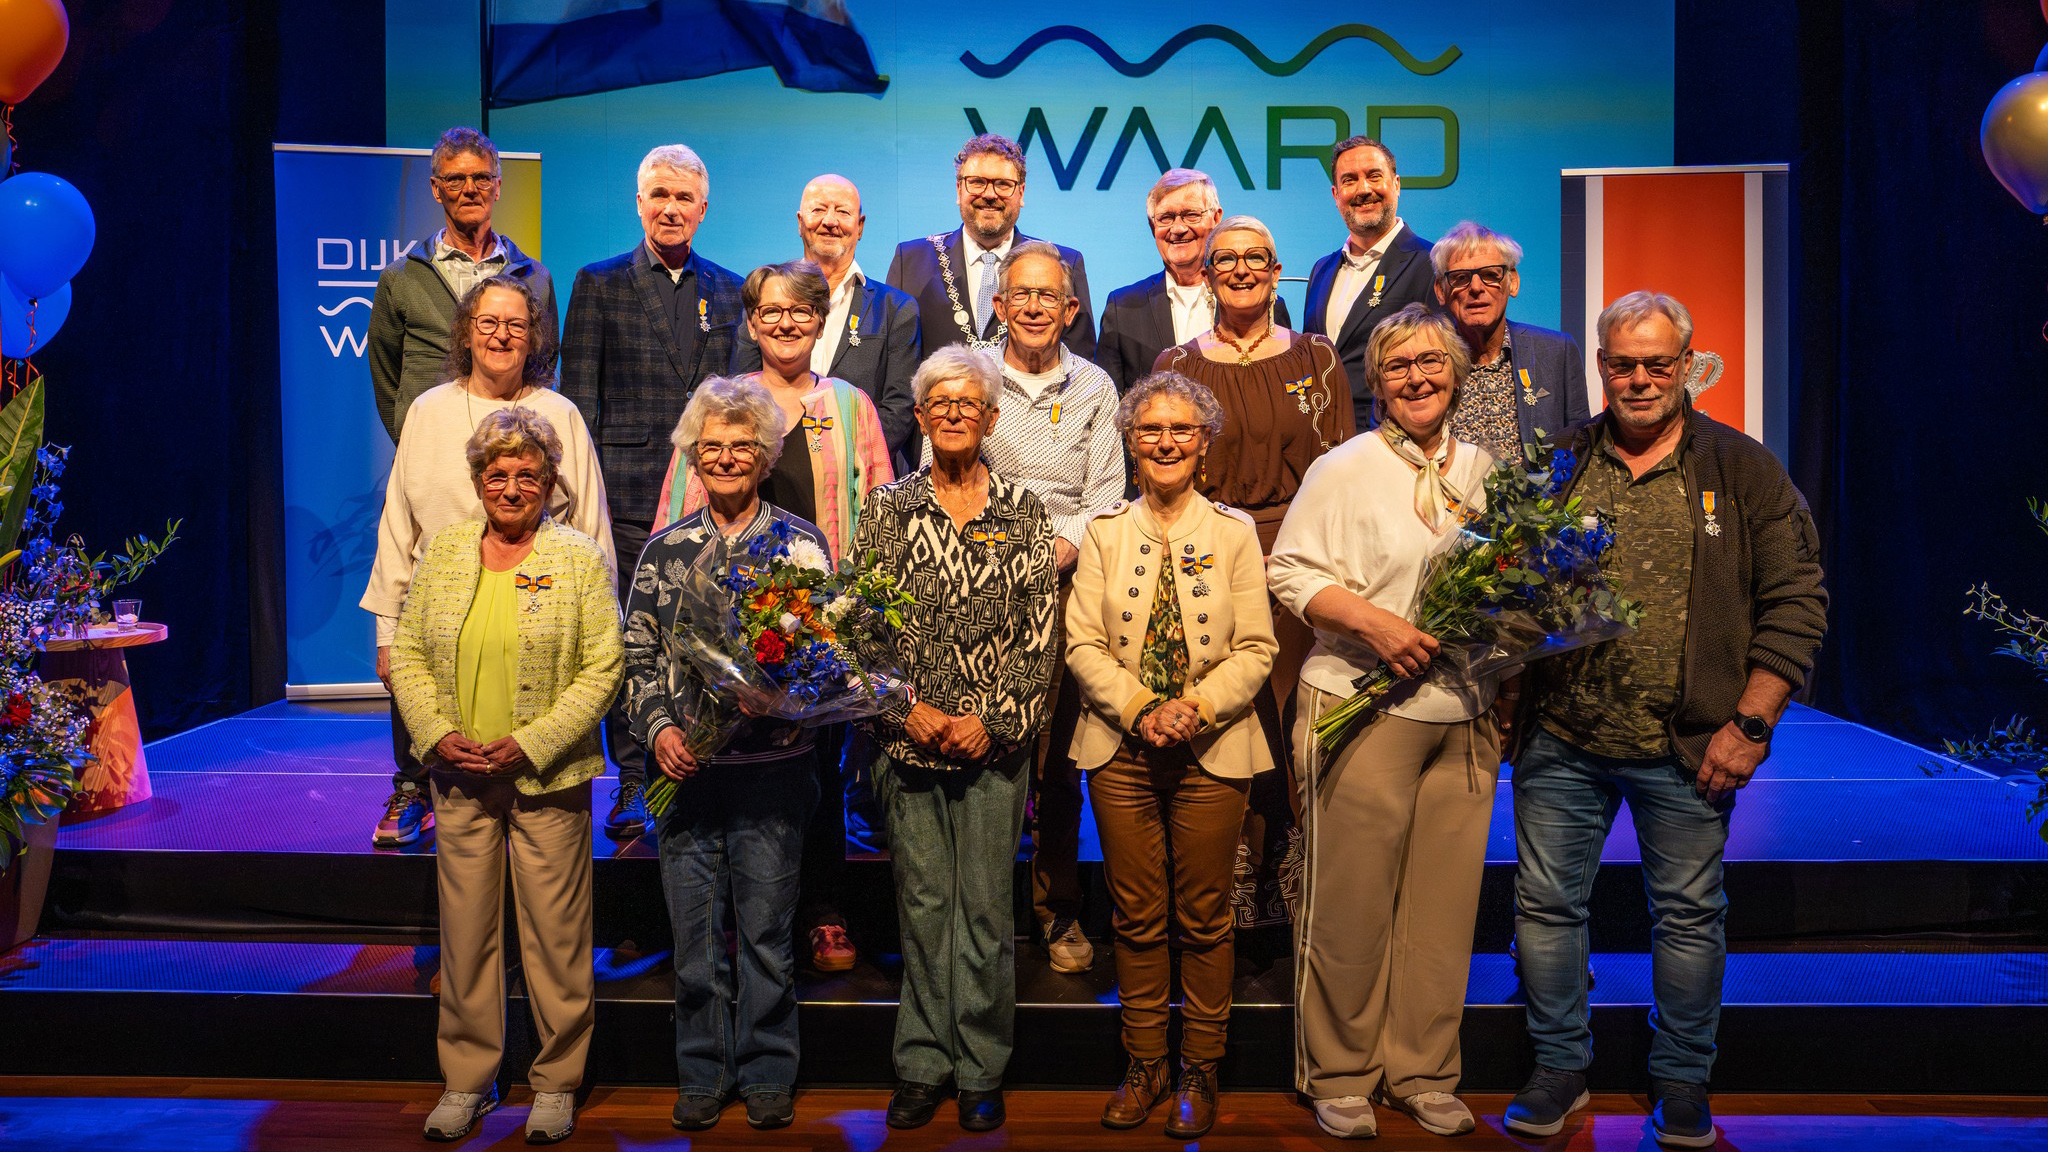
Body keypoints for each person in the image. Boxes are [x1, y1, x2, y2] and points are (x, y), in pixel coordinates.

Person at [1502, 292, 1827, 1149]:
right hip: (1563, 739)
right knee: (1544, 907)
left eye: (1657, 363)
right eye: (1622, 363)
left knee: (1687, 915)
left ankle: (1682, 1082)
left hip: (1690, 745)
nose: (1639, 378)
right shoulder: (1561, 460)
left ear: (1687, 365)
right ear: (1600, 368)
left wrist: (1749, 725)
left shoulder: (1741, 468)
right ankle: (1558, 1069)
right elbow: (1503, 579)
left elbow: (1797, 603)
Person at [1268, 303, 1500, 1141]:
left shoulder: (1484, 469)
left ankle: (1423, 1071)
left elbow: (1512, 578)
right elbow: (1289, 571)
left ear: (1457, 373)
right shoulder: (1343, 466)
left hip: (1464, 711)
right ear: (1378, 381)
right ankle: (1339, 1072)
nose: (1417, 378)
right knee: (1349, 907)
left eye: (1432, 362)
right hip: (1359, 707)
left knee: (1442, 912)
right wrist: (1377, 625)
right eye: (1399, 366)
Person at [387, 407, 621, 1145]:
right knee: (465, 940)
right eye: (498, 474)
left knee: (555, 940)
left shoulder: (579, 557)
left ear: (550, 482)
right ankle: (467, 1080)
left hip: (545, 779)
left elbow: (603, 668)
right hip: (457, 776)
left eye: (528, 474)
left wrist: (532, 743)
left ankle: (555, 1083)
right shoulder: (448, 550)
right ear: (478, 481)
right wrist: (435, 735)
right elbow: (412, 656)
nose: (512, 486)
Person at [654, 259, 894, 974]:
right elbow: (678, 506)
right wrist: (690, 627)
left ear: (822, 321)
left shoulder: (849, 405)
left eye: (801, 311)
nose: (786, 323)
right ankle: (730, 916)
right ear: (751, 322)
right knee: (724, 766)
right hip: (722, 631)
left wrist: (847, 625)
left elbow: (876, 508)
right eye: (771, 312)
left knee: (816, 776)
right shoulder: (719, 401)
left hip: (813, 635)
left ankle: (822, 911)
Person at [1065, 370, 1278, 1139]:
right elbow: (1081, 644)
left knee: (1205, 914)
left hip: (1214, 747)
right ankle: (1146, 1060)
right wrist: (1141, 709)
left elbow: (1258, 648)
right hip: (1119, 748)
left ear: (1204, 442)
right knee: (1136, 913)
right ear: (1129, 439)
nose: (1165, 442)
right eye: (1151, 429)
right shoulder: (1103, 532)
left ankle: (1200, 1067)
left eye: (1181, 430)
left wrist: (1197, 707)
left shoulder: (1234, 532)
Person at [854, 345, 1058, 1134]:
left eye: (967, 404)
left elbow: (1040, 637)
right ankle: (921, 1064)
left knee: (982, 914)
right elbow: (856, 633)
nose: (952, 414)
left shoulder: (1024, 511)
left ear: (991, 418)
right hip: (908, 745)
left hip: (991, 751)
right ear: (920, 418)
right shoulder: (887, 509)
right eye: (939, 403)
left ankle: (981, 1069)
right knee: (924, 908)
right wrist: (904, 711)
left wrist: (994, 720)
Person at [622, 377, 832, 1133]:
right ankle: (703, 1072)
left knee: (769, 936)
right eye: (711, 447)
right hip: (686, 772)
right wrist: (661, 733)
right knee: (695, 940)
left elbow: (826, 660)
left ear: (767, 454)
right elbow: (636, 658)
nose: (726, 458)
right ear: (692, 456)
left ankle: (770, 1070)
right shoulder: (663, 550)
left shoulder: (800, 544)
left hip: (773, 775)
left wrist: (778, 701)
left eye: (742, 446)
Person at [362, 275, 613, 851]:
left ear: (533, 339)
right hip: (439, 611)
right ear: (466, 334)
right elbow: (399, 526)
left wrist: (599, 625)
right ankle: (414, 789)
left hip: (540, 601)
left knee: (534, 757)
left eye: (516, 325)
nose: (502, 335)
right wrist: (388, 631)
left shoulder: (561, 413)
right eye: (488, 324)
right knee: (432, 725)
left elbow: (592, 527)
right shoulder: (427, 411)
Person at [931, 241, 1122, 974]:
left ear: (1071, 309)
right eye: (1022, 295)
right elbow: (938, 475)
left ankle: (1056, 909)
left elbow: (1105, 497)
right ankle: (974, 913)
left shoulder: (1097, 387)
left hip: (1068, 588)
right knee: (981, 750)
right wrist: (992, 563)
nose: (1036, 307)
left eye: (1051, 296)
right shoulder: (964, 376)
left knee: (1054, 763)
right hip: (972, 587)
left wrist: (1048, 555)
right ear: (1000, 305)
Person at [1154, 214, 1348, 929]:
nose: (1240, 269)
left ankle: (1292, 874)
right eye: (1225, 258)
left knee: (1295, 719)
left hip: (1301, 557)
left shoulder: (1319, 361)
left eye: (1256, 258)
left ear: (1275, 272)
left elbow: (1340, 474)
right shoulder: (1176, 367)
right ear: (1204, 275)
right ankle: (1227, 875)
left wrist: (1304, 557)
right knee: (1225, 717)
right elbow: (1163, 475)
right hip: (1207, 553)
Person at [561, 143, 746, 839]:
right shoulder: (598, 283)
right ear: (639, 203)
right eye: (658, 196)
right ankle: (634, 779)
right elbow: (579, 404)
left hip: (710, 499)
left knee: (703, 638)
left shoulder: (731, 289)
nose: (670, 209)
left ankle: (700, 767)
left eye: (683, 198)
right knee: (633, 641)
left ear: (703, 209)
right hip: (628, 496)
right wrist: (586, 506)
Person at [369, 126, 557, 443]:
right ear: (436, 189)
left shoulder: (535, 277)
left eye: (481, 178)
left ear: (497, 187)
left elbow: (545, 364)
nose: (470, 189)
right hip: (430, 441)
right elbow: (384, 370)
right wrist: (408, 435)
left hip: (510, 449)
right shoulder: (400, 277)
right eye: (455, 179)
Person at [733, 175, 922, 465]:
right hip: (770, 473)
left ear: (859, 226)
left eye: (843, 212)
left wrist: (843, 463)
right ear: (800, 222)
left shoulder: (896, 309)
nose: (830, 221)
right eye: (818, 210)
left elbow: (899, 407)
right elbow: (742, 389)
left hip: (860, 476)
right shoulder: (764, 299)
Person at [886, 133, 1096, 362]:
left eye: (1003, 185)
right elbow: (895, 360)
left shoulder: (1062, 262)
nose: (989, 194)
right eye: (976, 182)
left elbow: (1079, 363)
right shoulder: (911, 260)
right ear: (959, 190)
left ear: (1021, 193)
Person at [1096, 168, 1290, 393]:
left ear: (1216, 218)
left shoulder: (1263, 305)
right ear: (1153, 227)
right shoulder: (1123, 307)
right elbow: (1110, 404)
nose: (1178, 229)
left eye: (1191, 215)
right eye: (1166, 218)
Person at [1302, 136, 1435, 433]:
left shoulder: (1431, 263)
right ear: (1336, 195)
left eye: (1374, 176)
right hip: (1321, 443)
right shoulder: (1321, 270)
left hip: (1393, 442)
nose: (1363, 189)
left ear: (1396, 184)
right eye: (1350, 180)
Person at [1431, 221, 1589, 462]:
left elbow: (1581, 449)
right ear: (1441, 290)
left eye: (1490, 275)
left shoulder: (1557, 352)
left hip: (1539, 499)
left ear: (1512, 282)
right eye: (1460, 278)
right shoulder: (1423, 359)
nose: (1476, 288)